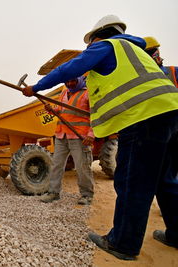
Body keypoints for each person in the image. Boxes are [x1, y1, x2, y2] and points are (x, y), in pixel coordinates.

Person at [22, 15, 178, 260]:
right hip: (170, 114)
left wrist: (36, 87)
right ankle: (176, 233)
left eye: (90, 44)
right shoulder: (137, 52)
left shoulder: (108, 45)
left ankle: (123, 244)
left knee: (131, 183)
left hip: (141, 117)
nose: (89, 49)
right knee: (166, 180)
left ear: (99, 35)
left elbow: (68, 68)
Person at [40, 76, 95, 205]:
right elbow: (62, 110)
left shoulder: (88, 93)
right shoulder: (64, 92)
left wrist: (91, 134)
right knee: (56, 165)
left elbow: (95, 114)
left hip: (79, 137)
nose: (70, 83)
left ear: (80, 79)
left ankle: (87, 195)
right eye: (67, 81)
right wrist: (52, 110)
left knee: (82, 167)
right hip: (61, 135)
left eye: (73, 81)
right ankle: (53, 192)